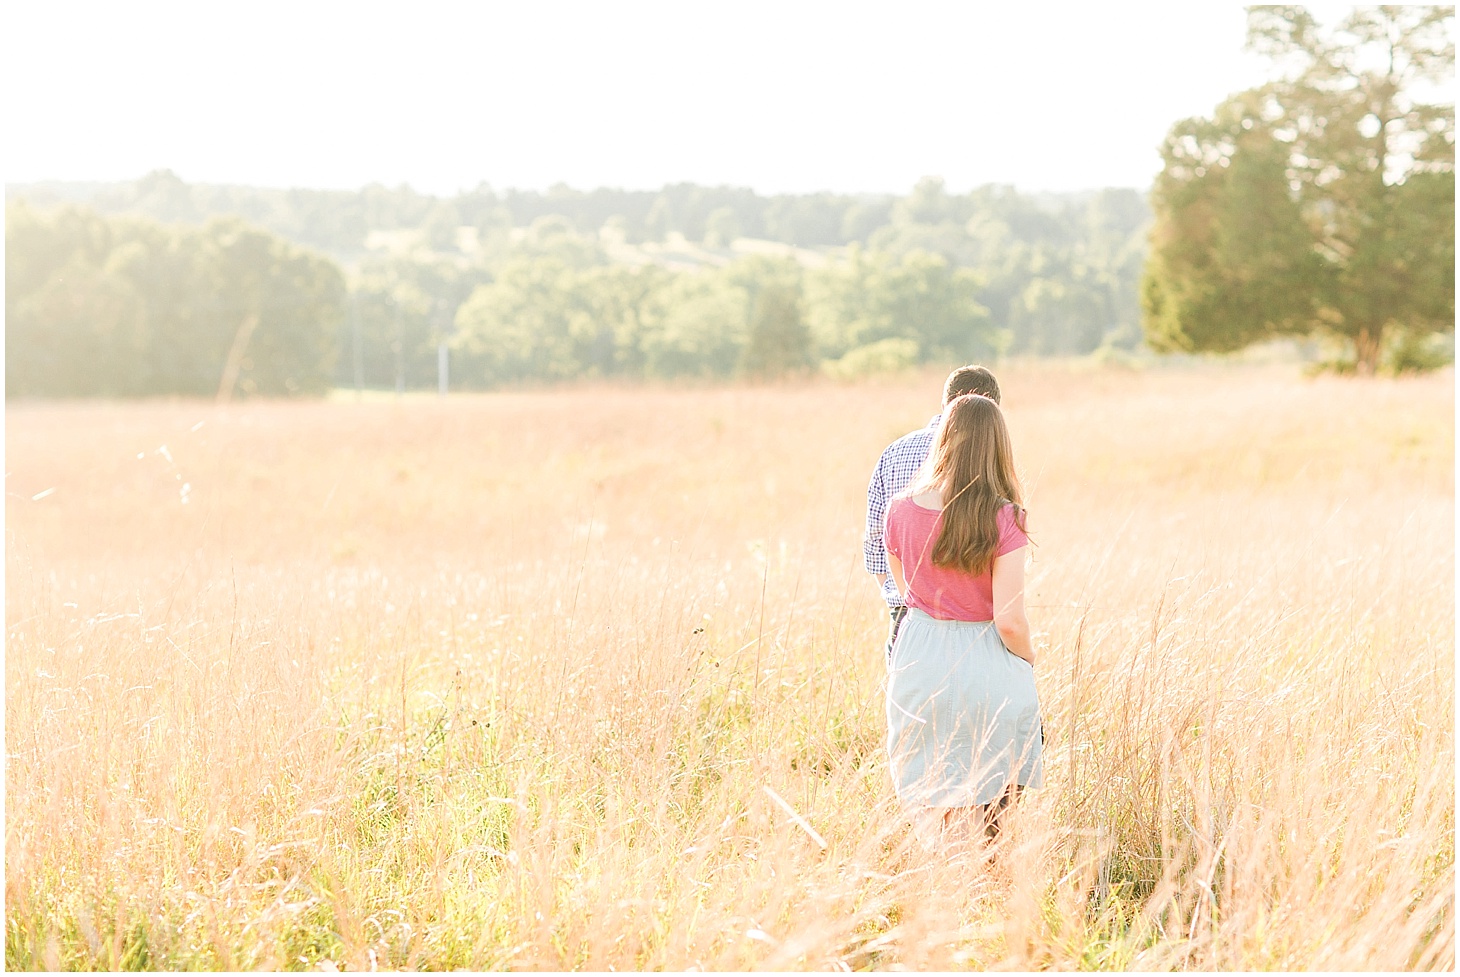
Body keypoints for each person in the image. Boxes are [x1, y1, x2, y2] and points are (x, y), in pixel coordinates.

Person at [883, 393, 1042, 842]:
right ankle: (984, 892)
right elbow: (1009, 619)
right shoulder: (1005, 517)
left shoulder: (898, 510)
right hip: (986, 656)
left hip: (918, 657)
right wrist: (1029, 660)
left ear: (944, 439)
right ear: (997, 446)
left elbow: (906, 591)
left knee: (926, 795)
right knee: (988, 803)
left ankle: (939, 892)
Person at [864, 366, 1002, 663]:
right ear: (991, 412)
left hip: (907, 616)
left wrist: (900, 598)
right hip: (973, 617)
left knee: (911, 704)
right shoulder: (987, 454)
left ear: (944, 401)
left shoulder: (894, 452)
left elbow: (875, 540)